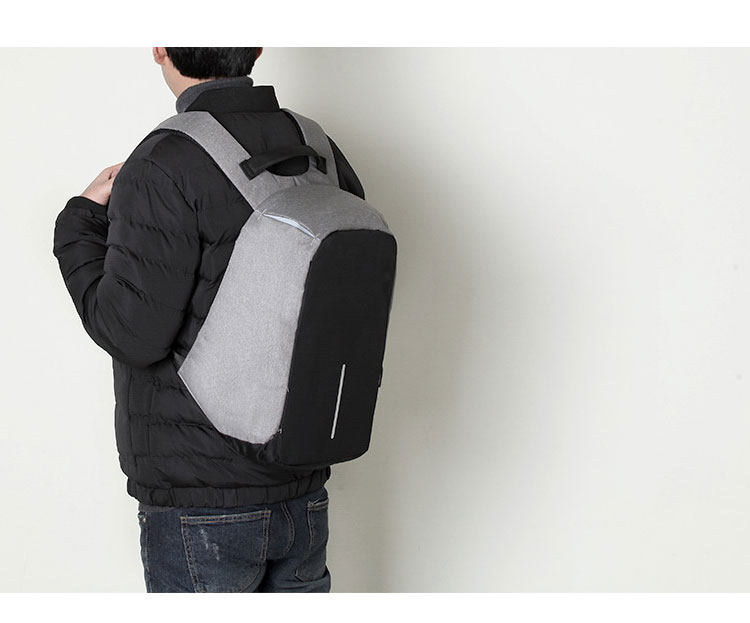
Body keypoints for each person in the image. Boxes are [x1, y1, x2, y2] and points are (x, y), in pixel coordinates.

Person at [52, 47, 366, 593]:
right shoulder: (318, 147)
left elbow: (131, 333)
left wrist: (78, 224)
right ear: (256, 45)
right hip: (302, 484)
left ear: (160, 48)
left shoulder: (164, 160)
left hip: (200, 501)